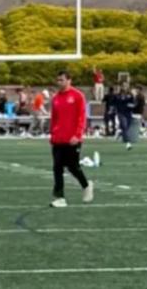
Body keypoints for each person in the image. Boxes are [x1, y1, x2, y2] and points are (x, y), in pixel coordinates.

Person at [49, 71, 93, 208]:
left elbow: (82, 117)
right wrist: (52, 134)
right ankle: (60, 197)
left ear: (69, 80)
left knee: (73, 166)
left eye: (62, 80)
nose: (59, 83)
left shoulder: (77, 96)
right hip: (58, 139)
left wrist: (78, 135)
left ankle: (86, 185)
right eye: (58, 80)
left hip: (72, 138)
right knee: (57, 167)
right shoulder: (55, 98)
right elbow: (54, 118)